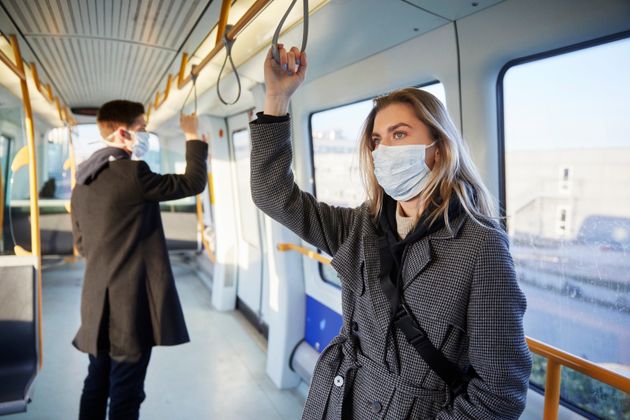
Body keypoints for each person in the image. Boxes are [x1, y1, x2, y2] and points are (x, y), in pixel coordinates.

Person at [250, 46, 532, 419]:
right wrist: (276, 98)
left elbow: (499, 394)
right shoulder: (360, 227)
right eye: (377, 141)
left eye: (399, 134)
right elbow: (273, 195)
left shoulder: (481, 246)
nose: (383, 151)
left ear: (438, 148)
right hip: (340, 399)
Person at [70, 100, 208, 420]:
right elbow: (192, 183)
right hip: (129, 307)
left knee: (96, 383)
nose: (146, 134)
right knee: (126, 392)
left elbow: (81, 245)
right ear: (122, 133)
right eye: (142, 128)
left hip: (95, 304)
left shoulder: (82, 180)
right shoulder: (133, 173)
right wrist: (191, 136)